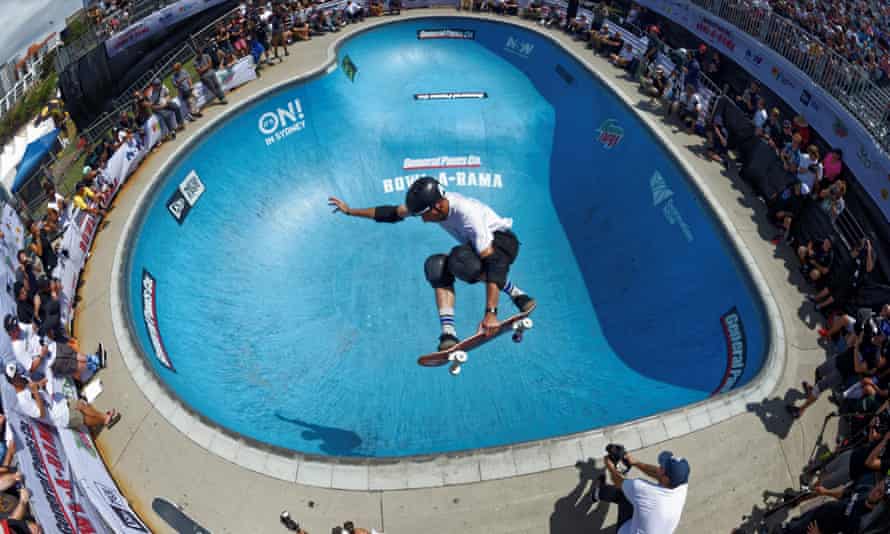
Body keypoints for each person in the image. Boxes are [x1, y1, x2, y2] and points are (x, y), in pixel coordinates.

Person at [328, 177, 535, 351]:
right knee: (436, 267)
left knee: (460, 261)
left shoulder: (468, 214)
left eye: (423, 215)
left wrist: (491, 314)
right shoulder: (431, 203)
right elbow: (392, 214)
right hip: (478, 251)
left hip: (502, 244)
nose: (423, 220)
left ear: (437, 206)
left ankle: (516, 293)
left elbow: (494, 263)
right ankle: (448, 333)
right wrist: (350, 211)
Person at [597, 450, 690, 533]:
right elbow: (658, 473)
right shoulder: (681, 485)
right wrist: (635, 462)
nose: (659, 467)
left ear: (666, 479)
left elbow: (617, 481)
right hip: (659, 526)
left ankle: (598, 492)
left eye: (662, 467)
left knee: (624, 493)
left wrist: (610, 466)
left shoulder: (645, 492)